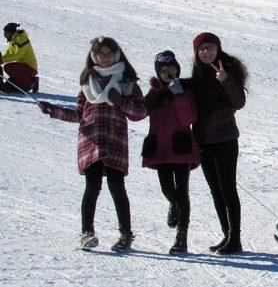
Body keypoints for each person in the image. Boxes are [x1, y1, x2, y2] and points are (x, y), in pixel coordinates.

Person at [38, 37, 147, 251]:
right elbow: (79, 114)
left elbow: (140, 112)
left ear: (116, 55)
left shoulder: (126, 82)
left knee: (117, 187)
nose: (104, 57)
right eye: (99, 54)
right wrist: (53, 110)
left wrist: (121, 102)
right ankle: (87, 232)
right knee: (92, 187)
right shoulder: (88, 83)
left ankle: (126, 235)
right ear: (93, 56)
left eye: (108, 53)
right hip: (91, 140)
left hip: (114, 140)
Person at [190, 32, 247, 254]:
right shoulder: (198, 75)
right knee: (215, 190)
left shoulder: (229, 69)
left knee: (228, 189)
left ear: (218, 48)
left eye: (210, 47)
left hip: (225, 139)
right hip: (204, 141)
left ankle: (235, 239)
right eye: (202, 48)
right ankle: (227, 235)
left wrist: (226, 80)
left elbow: (239, 102)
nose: (206, 52)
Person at [142, 50, 200, 253]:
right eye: (164, 70)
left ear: (178, 70)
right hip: (160, 149)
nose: (168, 73)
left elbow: (188, 118)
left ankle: (181, 238)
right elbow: (141, 112)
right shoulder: (154, 92)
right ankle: (173, 204)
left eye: (171, 69)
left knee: (182, 192)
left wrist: (178, 94)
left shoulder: (186, 90)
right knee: (167, 189)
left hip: (181, 147)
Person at [1, 22, 39, 92]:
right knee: (7, 87)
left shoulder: (21, 39)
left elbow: (19, 54)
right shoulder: (13, 41)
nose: (4, 35)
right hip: (20, 68)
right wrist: (1, 59)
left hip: (29, 67)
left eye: (6, 33)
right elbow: (8, 54)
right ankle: (29, 81)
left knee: (8, 67)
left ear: (11, 32)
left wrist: (2, 61)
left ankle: (31, 83)